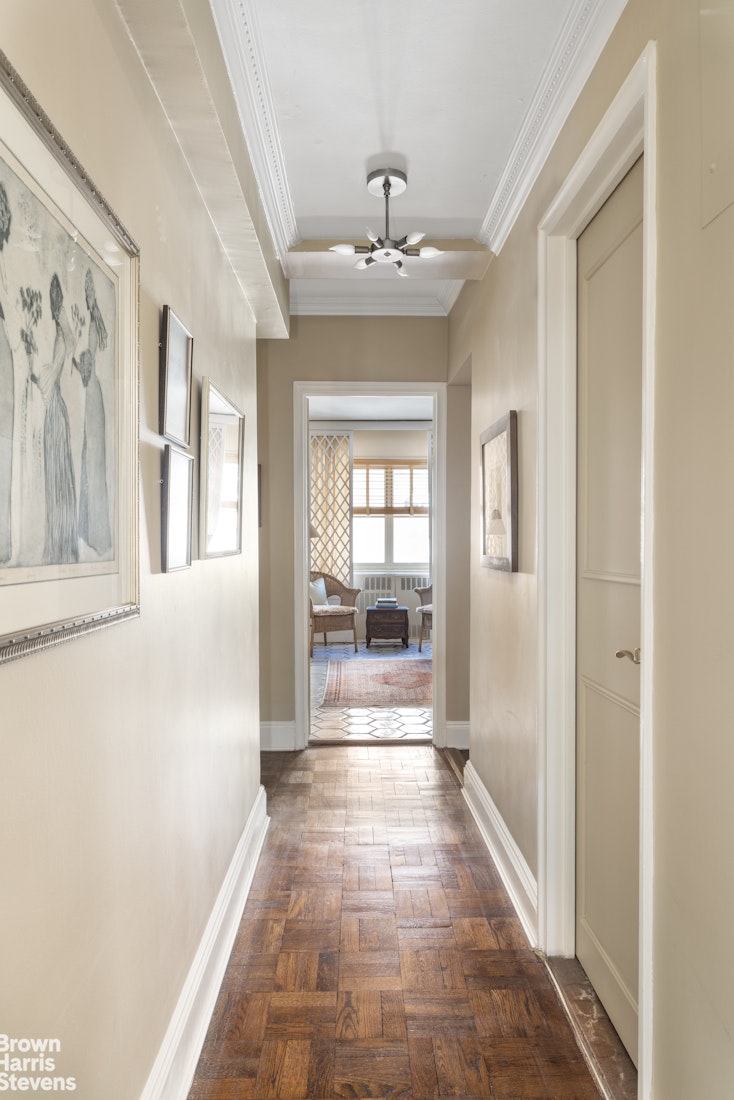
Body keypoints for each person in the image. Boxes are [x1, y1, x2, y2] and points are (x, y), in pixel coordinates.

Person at [33, 273, 78, 564]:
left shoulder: (61, 336)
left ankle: (60, 543)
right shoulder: (61, 337)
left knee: (58, 474)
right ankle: (60, 541)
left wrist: (40, 375)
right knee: (58, 474)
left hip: (55, 410)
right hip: (57, 409)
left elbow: (53, 372)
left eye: (54, 299)